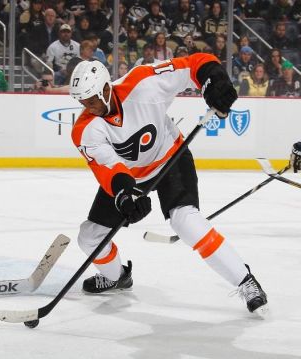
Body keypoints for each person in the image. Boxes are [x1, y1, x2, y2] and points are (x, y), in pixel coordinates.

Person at [67, 55, 268, 315]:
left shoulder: (143, 82)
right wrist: (126, 195)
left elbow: (194, 63)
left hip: (170, 159)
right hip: (130, 177)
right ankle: (117, 277)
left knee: (186, 222)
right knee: (89, 236)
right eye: (82, 101)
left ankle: (246, 281)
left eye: (91, 99)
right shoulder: (84, 129)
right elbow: (108, 167)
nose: (88, 106)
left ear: (106, 89)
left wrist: (213, 79)